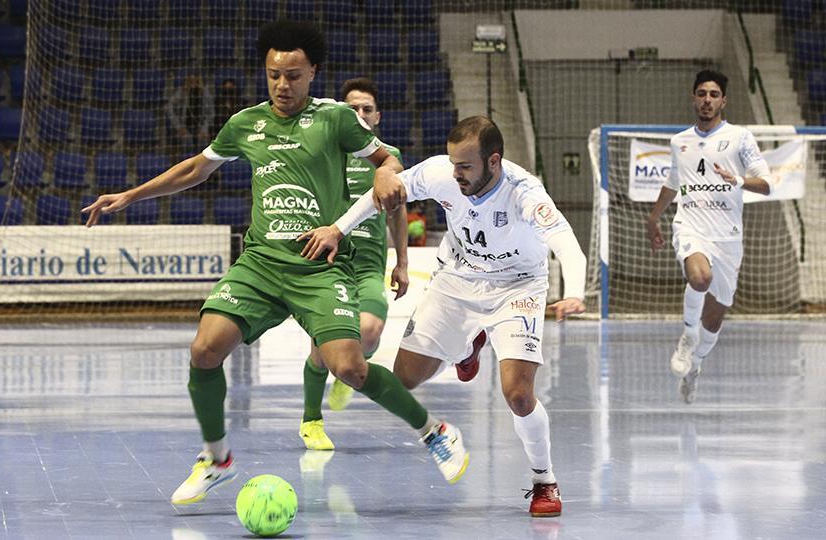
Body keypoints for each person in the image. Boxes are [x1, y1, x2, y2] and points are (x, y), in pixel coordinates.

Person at [81, 20, 469, 506]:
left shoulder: (336, 119)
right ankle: (217, 458)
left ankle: (434, 430)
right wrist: (131, 195)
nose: (282, 85)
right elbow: (196, 169)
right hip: (261, 263)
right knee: (204, 350)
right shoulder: (246, 123)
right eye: (273, 75)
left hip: (318, 264)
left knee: (350, 367)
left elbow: (385, 159)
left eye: (293, 75)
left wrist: (389, 175)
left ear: (313, 74)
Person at [299, 116, 587, 518]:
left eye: (465, 166)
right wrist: (338, 228)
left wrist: (574, 292)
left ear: (494, 161)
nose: (456, 174)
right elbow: (387, 192)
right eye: (453, 164)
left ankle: (544, 479)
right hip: (458, 278)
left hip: (517, 286)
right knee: (404, 378)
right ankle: (466, 346)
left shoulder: (524, 192)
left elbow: (568, 244)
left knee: (518, 395)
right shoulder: (441, 173)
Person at [646, 70, 772, 404]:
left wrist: (739, 180)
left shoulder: (740, 137)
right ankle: (687, 336)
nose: (707, 100)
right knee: (699, 278)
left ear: (723, 100)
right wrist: (654, 218)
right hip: (691, 227)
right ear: (693, 98)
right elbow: (674, 181)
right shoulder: (680, 141)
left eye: (714, 94)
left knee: (714, 320)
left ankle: (697, 365)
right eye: (701, 93)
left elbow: (767, 183)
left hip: (728, 237)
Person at [298, 77, 410, 451]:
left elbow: (397, 212)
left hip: (368, 266)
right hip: (330, 266)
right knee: (321, 349)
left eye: (366, 109)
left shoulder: (388, 158)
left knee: (371, 329)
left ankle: (346, 374)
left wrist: (402, 262)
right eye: (352, 109)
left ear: (377, 117)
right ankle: (311, 420)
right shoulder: (328, 151)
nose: (359, 114)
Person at [165, 74, 212, 152]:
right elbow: (168, 108)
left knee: (203, 142)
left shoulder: (205, 93)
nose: (193, 84)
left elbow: (211, 113)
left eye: (196, 81)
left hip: (201, 126)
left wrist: (204, 129)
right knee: (187, 141)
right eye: (190, 81)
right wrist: (179, 127)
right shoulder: (181, 92)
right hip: (184, 126)